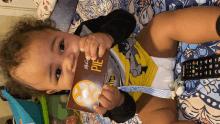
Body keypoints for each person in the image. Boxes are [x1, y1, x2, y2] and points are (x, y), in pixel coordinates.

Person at [0, 6, 219, 124]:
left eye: (61, 46)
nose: (69, 60)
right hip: (147, 98)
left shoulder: (87, 32)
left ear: (61, 32)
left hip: (145, 53)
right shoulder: (83, 97)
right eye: (57, 73)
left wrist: (106, 34)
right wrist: (117, 103)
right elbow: (125, 114)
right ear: (54, 90)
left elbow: (125, 19)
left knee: (162, 24)